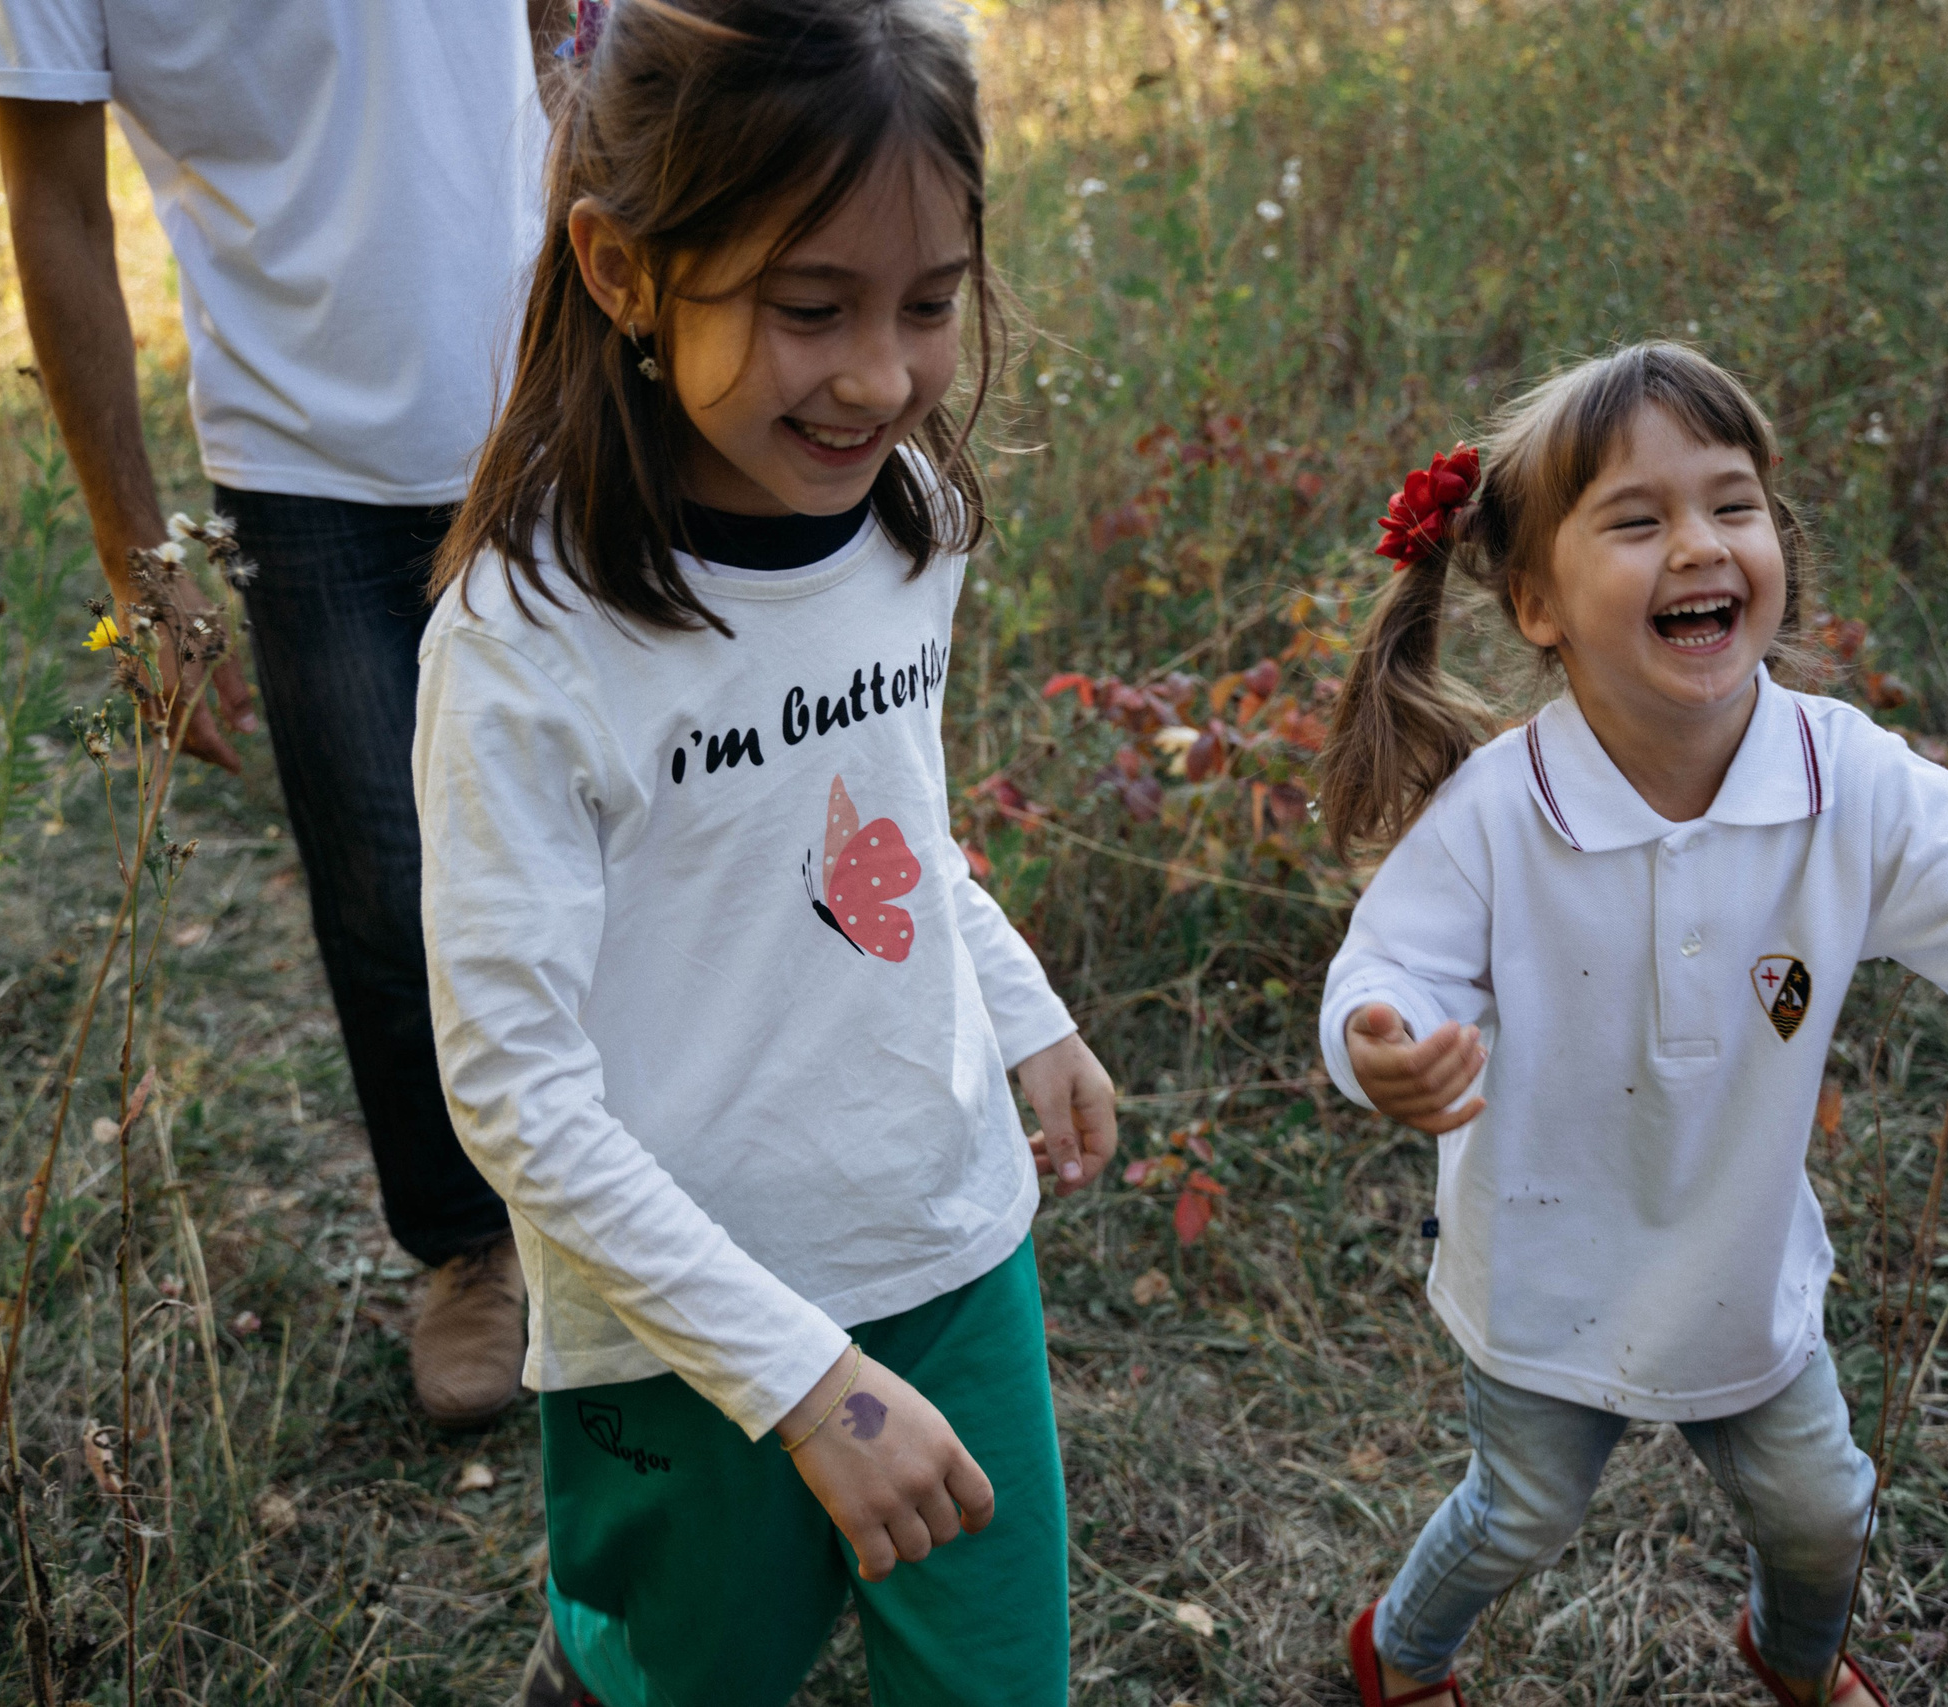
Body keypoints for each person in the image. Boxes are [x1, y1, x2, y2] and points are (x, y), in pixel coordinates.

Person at [1313, 342, 1948, 1707]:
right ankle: (1402, 1652)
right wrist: (1382, 1039)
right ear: (1536, 598)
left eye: (1734, 505)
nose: (1701, 546)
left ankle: (1794, 1655)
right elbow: (1390, 965)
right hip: (1545, 1266)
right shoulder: (1497, 812)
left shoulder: (1850, 784)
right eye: (1639, 520)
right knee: (1518, 1516)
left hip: (1738, 1265)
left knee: (1824, 1512)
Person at [409, 0, 1120, 1700]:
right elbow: (511, 1084)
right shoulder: (525, 644)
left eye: (929, 306)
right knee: (682, 1680)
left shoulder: (909, 521)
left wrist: (1015, 1005)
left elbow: (891, 830)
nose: (882, 376)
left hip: (952, 1243)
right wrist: (803, 1382)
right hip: (682, 1325)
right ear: (623, 268)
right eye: (812, 310)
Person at [0, 1, 552, 1425]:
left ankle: (669, 1183)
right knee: (387, 880)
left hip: (566, 391)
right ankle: (470, 1245)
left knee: (643, 813)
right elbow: (55, 206)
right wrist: (136, 558)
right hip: (303, 461)